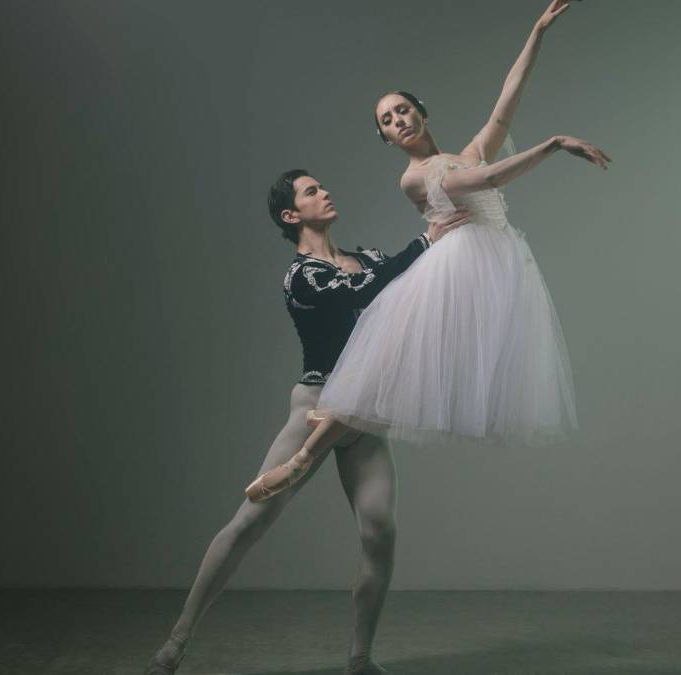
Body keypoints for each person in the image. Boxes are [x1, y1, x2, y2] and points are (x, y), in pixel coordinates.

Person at [245, 0, 612, 503]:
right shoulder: (415, 177)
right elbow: (487, 179)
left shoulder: (466, 153)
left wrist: (538, 31)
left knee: (397, 372)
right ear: (385, 137)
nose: (399, 120)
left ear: (421, 112)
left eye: (403, 110)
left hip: (495, 266)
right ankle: (302, 458)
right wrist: (553, 144)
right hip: (449, 268)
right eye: (387, 120)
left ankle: (326, 422)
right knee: (390, 363)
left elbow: (506, 102)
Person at [144, 170, 468, 675]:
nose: (325, 192)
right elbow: (360, 289)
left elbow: (411, 283)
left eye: (322, 186)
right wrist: (424, 241)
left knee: (380, 531)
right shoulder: (303, 276)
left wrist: (457, 226)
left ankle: (360, 658)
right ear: (290, 215)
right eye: (311, 191)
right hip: (317, 406)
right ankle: (175, 642)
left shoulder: (368, 257)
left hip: (363, 413)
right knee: (250, 521)